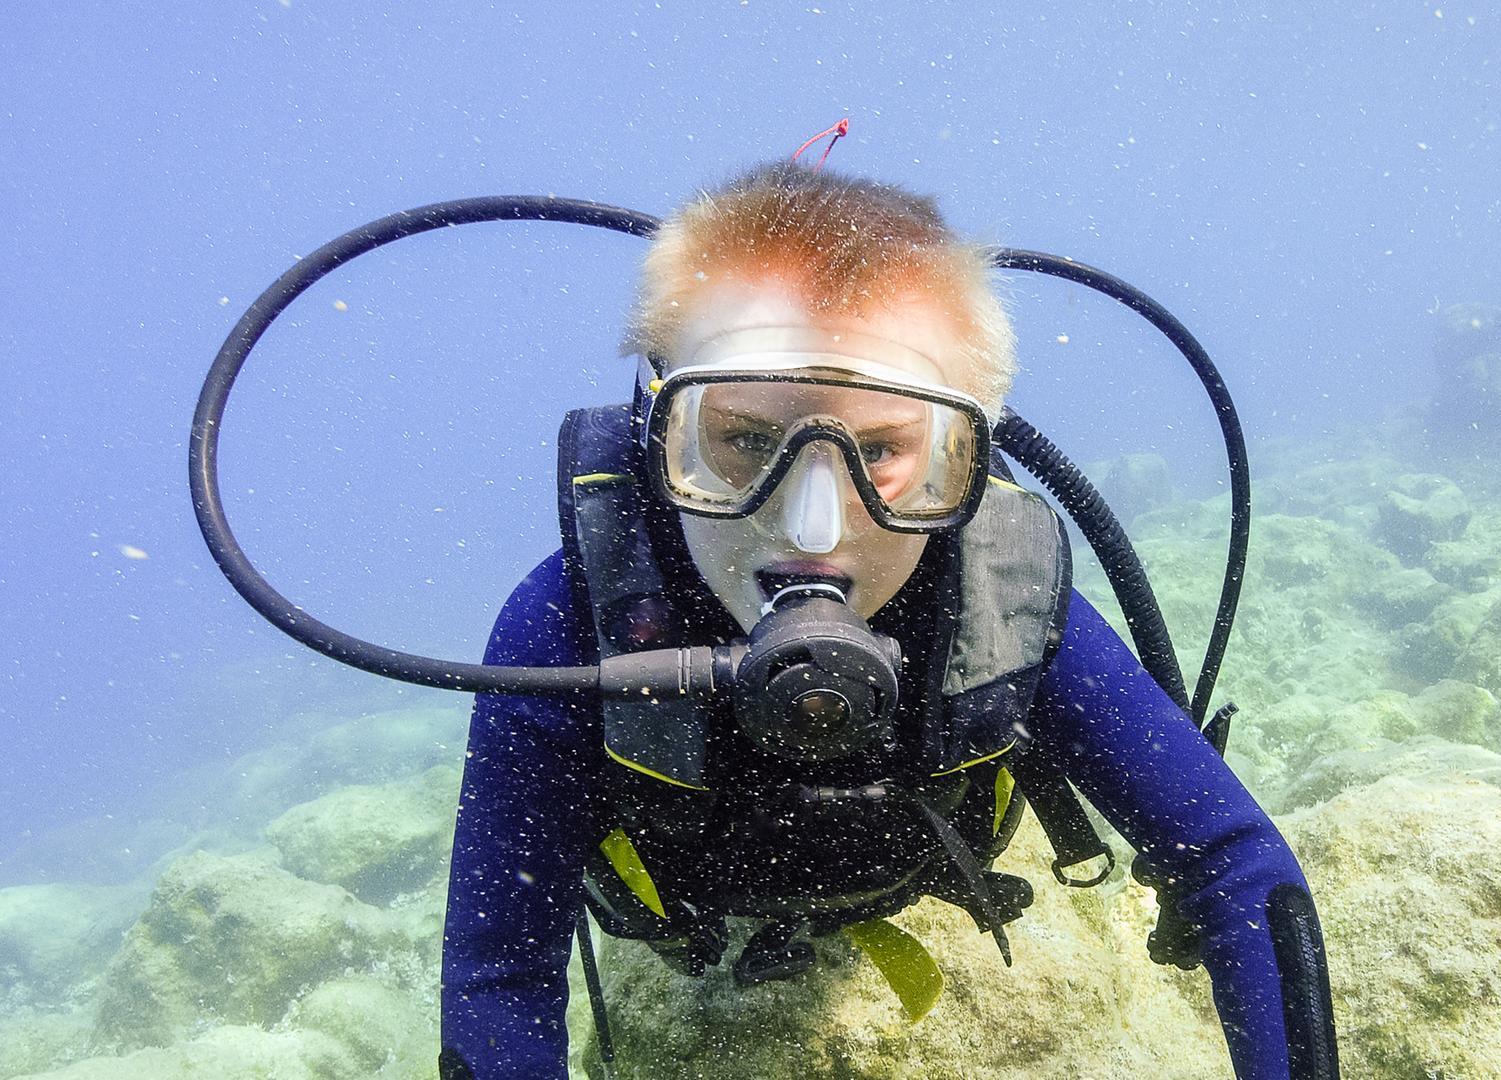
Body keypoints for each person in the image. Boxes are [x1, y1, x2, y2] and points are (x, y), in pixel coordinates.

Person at [438, 159, 1338, 1080]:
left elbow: (1233, 864)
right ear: (655, 426)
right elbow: (502, 969)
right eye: (744, 439)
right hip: (687, 910)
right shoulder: (567, 625)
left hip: (924, 872)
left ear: (962, 453)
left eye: (880, 450)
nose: (810, 527)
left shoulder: (1004, 597)